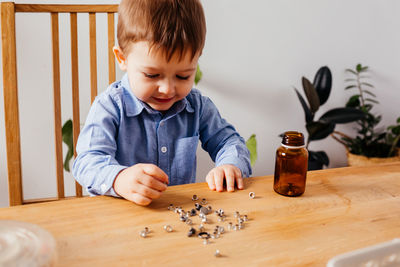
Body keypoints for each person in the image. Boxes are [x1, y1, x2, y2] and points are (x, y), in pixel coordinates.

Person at [72, 0, 252, 206]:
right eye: (152, 74)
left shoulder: (198, 107)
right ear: (122, 58)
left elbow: (230, 143)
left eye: (183, 76)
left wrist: (230, 165)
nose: (167, 89)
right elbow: (87, 162)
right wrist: (119, 178)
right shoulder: (110, 106)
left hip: (178, 217)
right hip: (121, 220)